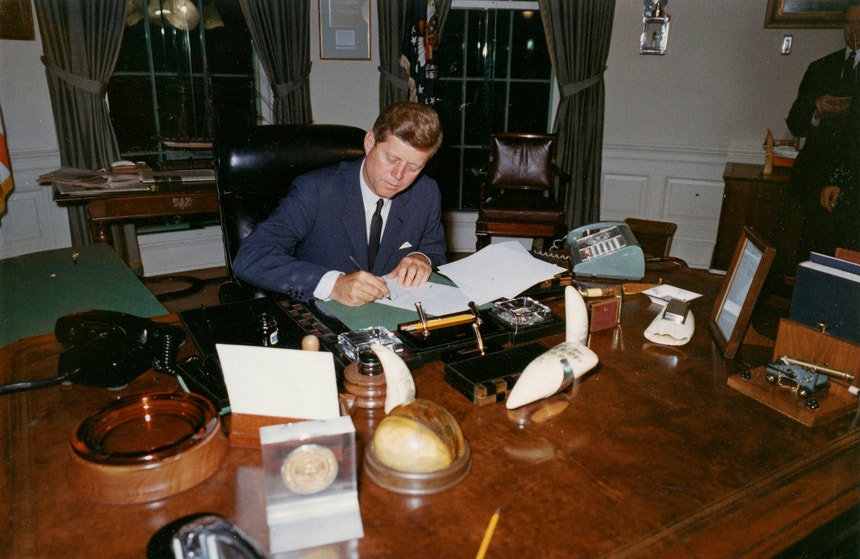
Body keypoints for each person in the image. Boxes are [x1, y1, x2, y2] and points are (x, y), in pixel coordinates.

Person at [232, 101, 447, 306]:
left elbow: (434, 250)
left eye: (413, 167)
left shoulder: (425, 192)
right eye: (391, 159)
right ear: (370, 142)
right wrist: (333, 284)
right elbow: (250, 257)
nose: (398, 176)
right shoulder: (316, 190)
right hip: (321, 315)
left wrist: (421, 258)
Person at [786, 1, 860, 259]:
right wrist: (816, 110)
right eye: (850, 22)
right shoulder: (821, 67)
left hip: (853, 183)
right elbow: (795, 122)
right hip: (814, 180)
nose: (855, 29)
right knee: (811, 253)